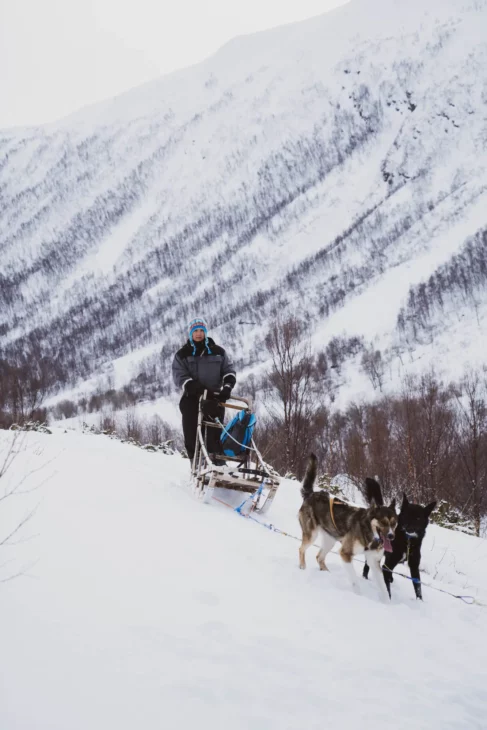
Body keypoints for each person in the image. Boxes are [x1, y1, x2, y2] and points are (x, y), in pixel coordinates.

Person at [172, 317, 236, 464]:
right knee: (192, 433)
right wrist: (194, 387)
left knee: (214, 432)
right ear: (191, 333)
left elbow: (228, 370)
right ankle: (196, 463)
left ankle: (217, 465)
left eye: (202, 330)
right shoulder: (183, 354)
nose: (199, 334)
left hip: (214, 398)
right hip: (191, 399)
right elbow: (179, 376)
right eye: (196, 331)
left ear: (206, 332)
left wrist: (227, 387)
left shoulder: (218, 352)